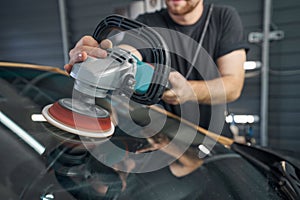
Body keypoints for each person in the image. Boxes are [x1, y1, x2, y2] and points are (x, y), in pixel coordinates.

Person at [64, 0, 248, 137]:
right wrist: (104, 60)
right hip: (164, 138)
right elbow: (130, 51)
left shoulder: (223, 18)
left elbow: (233, 85)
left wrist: (188, 91)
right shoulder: (148, 22)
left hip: (213, 135)